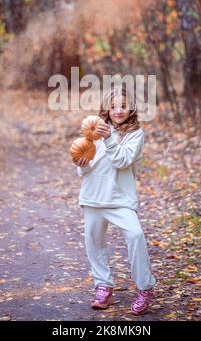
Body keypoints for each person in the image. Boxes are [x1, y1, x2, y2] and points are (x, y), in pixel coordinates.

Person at [72, 85, 157, 316]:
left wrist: (109, 138)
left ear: (131, 108)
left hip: (120, 199)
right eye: (112, 107)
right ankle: (103, 285)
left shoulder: (135, 134)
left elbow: (121, 161)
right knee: (94, 242)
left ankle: (144, 287)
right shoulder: (95, 130)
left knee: (135, 235)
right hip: (93, 196)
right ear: (106, 109)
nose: (118, 110)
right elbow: (87, 165)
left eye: (122, 106)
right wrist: (81, 164)